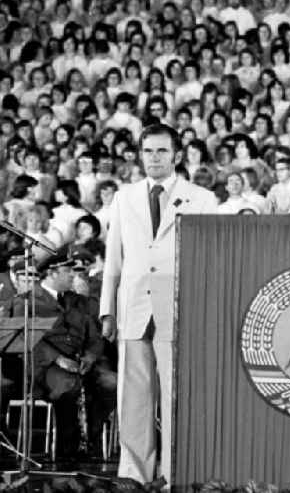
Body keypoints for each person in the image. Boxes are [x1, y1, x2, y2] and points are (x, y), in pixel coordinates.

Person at [99, 124, 218, 485]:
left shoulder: (202, 198)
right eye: (148, 151)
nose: (154, 158)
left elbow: (209, 261)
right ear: (139, 154)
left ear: (177, 156)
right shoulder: (125, 197)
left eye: (162, 151)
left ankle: (173, 472)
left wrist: (203, 310)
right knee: (133, 399)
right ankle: (133, 473)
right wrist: (108, 309)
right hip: (134, 308)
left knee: (175, 398)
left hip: (180, 309)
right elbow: (114, 258)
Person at [27, 252, 115, 460]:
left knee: (111, 383)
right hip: (47, 365)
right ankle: (68, 451)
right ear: (51, 273)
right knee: (68, 384)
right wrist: (59, 359)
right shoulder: (30, 300)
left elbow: (95, 337)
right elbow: (31, 340)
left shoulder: (78, 301)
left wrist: (90, 357)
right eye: (67, 271)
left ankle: (90, 440)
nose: (72, 277)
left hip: (82, 361)